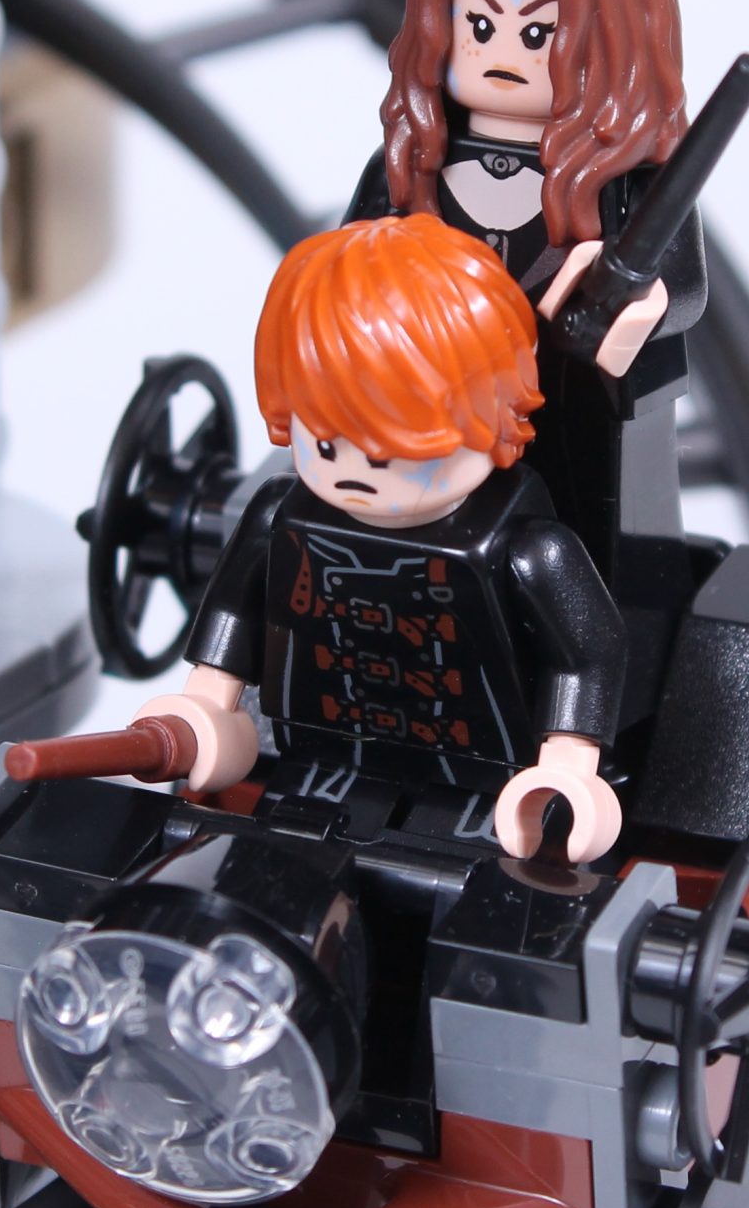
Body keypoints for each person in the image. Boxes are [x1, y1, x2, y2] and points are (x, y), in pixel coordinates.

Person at [136, 213, 626, 863]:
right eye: (326, 443)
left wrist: (566, 765)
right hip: (319, 762)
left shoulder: (529, 550)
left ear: (493, 417)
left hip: (491, 787)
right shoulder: (278, 514)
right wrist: (207, 707)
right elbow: (234, 611)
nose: (356, 473)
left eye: (393, 451)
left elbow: (586, 655)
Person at [346, 0, 705, 649]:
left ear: (611, 42)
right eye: (479, 25)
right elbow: (350, 275)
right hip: (429, 412)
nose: (503, 51)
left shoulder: (627, 190)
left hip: (579, 408)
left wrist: (639, 303)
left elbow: (682, 284)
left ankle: (594, 664)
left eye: (537, 33)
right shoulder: (410, 167)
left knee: (584, 558)